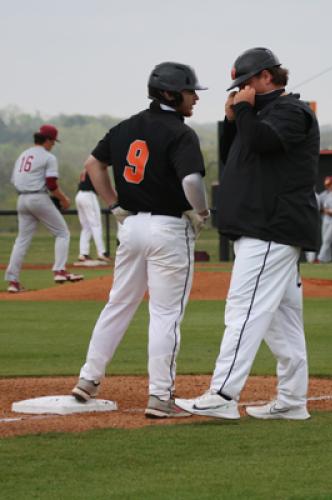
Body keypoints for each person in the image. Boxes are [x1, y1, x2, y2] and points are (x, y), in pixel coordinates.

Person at [175, 47, 320, 420]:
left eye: (246, 82)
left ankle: (223, 394)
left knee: (244, 310)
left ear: (267, 77)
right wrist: (233, 119)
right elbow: (240, 158)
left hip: (271, 228)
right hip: (261, 229)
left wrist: (242, 112)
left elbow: (263, 143)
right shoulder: (258, 115)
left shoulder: (292, 111)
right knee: (280, 320)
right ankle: (291, 402)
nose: (240, 90)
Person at [71, 62, 209, 419]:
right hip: (168, 228)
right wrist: (203, 213)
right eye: (189, 90)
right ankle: (160, 396)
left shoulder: (125, 126)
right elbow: (192, 182)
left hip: (131, 227)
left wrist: (113, 203)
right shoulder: (181, 133)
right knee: (165, 314)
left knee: (118, 303)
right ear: (169, 93)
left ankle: (88, 379)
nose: (194, 97)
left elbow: (92, 164)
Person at [5, 125, 83, 292]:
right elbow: (51, 184)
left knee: (21, 240)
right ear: (47, 140)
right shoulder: (48, 157)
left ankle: (13, 281)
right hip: (38, 197)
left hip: (21, 199)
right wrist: (64, 199)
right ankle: (60, 270)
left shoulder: (23, 155)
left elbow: (15, 180)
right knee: (62, 233)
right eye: (53, 141)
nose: (53, 144)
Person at [75, 169, 110, 263]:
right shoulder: (95, 168)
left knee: (86, 227)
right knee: (96, 225)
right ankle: (101, 253)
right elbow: (100, 185)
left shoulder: (86, 169)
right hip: (88, 195)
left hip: (79, 195)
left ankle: (83, 253)